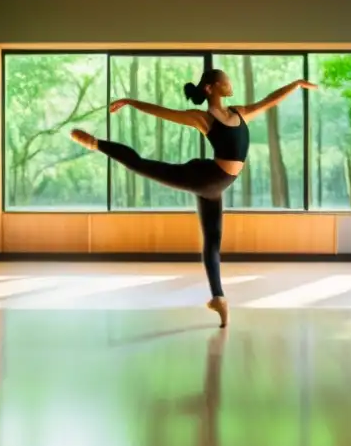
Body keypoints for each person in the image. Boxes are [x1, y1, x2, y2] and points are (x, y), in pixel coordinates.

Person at [70, 69, 317, 327]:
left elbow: (269, 101)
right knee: (143, 165)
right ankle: (97, 143)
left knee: (212, 241)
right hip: (205, 177)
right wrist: (131, 101)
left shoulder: (239, 113)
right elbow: (164, 112)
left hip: (214, 185)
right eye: (225, 80)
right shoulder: (204, 118)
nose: (229, 83)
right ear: (211, 88)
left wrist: (295, 84)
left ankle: (218, 298)